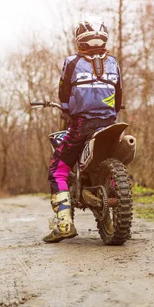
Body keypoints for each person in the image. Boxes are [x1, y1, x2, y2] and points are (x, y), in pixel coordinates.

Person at [43, 18, 123, 243]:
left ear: (80, 41)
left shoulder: (71, 62)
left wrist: (67, 110)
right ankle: (116, 191)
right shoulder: (114, 62)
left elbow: (64, 94)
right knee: (114, 156)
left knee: (58, 170)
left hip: (81, 125)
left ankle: (64, 223)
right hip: (109, 123)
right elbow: (118, 97)